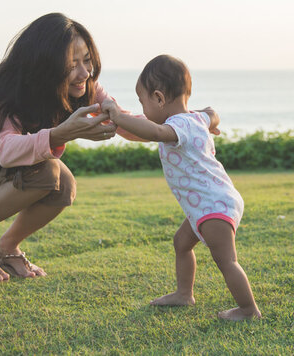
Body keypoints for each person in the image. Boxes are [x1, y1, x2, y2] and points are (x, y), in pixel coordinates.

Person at [0, 13, 137, 282]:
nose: (84, 72)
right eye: (71, 64)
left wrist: (182, 123)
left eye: (87, 60)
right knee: (45, 172)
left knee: (64, 187)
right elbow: (7, 151)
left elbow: (126, 122)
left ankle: (8, 248)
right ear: (44, 65)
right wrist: (62, 133)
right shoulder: (6, 84)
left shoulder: (84, 85)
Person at [101, 55, 261, 321]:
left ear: (159, 98)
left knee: (226, 261)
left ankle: (248, 310)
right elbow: (212, 112)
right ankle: (184, 294)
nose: (142, 110)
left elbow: (155, 133)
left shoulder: (177, 126)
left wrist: (118, 116)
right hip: (208, 203)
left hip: (212, 205)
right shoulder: (197, 119)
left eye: (143, 103)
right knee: (181, 243)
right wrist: (213, 121)